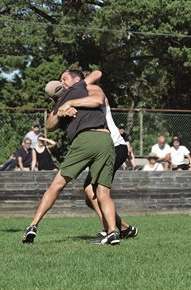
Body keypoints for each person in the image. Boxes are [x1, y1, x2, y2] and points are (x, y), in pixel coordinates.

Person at [22, 69, 120, 245]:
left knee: (57, 185)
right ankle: (113, 232)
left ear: (76, 80)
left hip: (85, 139)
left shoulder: (78, 88)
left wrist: (68, 104)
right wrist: (61, 110)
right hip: (105, 139)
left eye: (64, 78)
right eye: (61, 81)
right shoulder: (66, 98)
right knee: (103, 192)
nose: (62, 81)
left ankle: (33, 225)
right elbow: (49, 125)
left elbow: (97, 74)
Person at [84, 97, 138, 244]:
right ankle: (125, 228)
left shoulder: (95, 96)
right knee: (90, 197)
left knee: (95, 191)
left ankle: (109, 231)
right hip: (104, 150)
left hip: (114, 147)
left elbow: (96, 75)